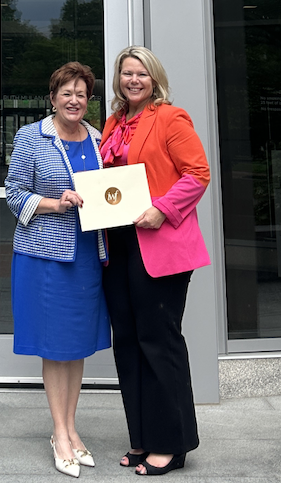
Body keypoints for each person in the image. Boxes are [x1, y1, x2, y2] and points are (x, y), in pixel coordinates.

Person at [99, 46, 210, 476]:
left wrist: (162, 208)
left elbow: (196, 174)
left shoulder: (170, 117)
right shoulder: (113, 123)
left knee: (158, 342)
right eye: (126, 73)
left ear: (154, 78)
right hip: (119, 245)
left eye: (141, 73)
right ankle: (142, 438)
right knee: (127, 342)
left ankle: (172, 443)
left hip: (158, 242)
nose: (133, 80)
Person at [5, 62, 111, 478]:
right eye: (66, 92)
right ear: (53, 98)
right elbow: (14, 193)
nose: (74, 100)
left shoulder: (99, 140)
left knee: (76, 343)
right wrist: (55, 203)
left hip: (87, 254)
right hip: (45, 256)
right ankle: (60, 433)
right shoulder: (32, 137)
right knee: (53, 345)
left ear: (89, 100)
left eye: (81, 94)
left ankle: (72, 426)